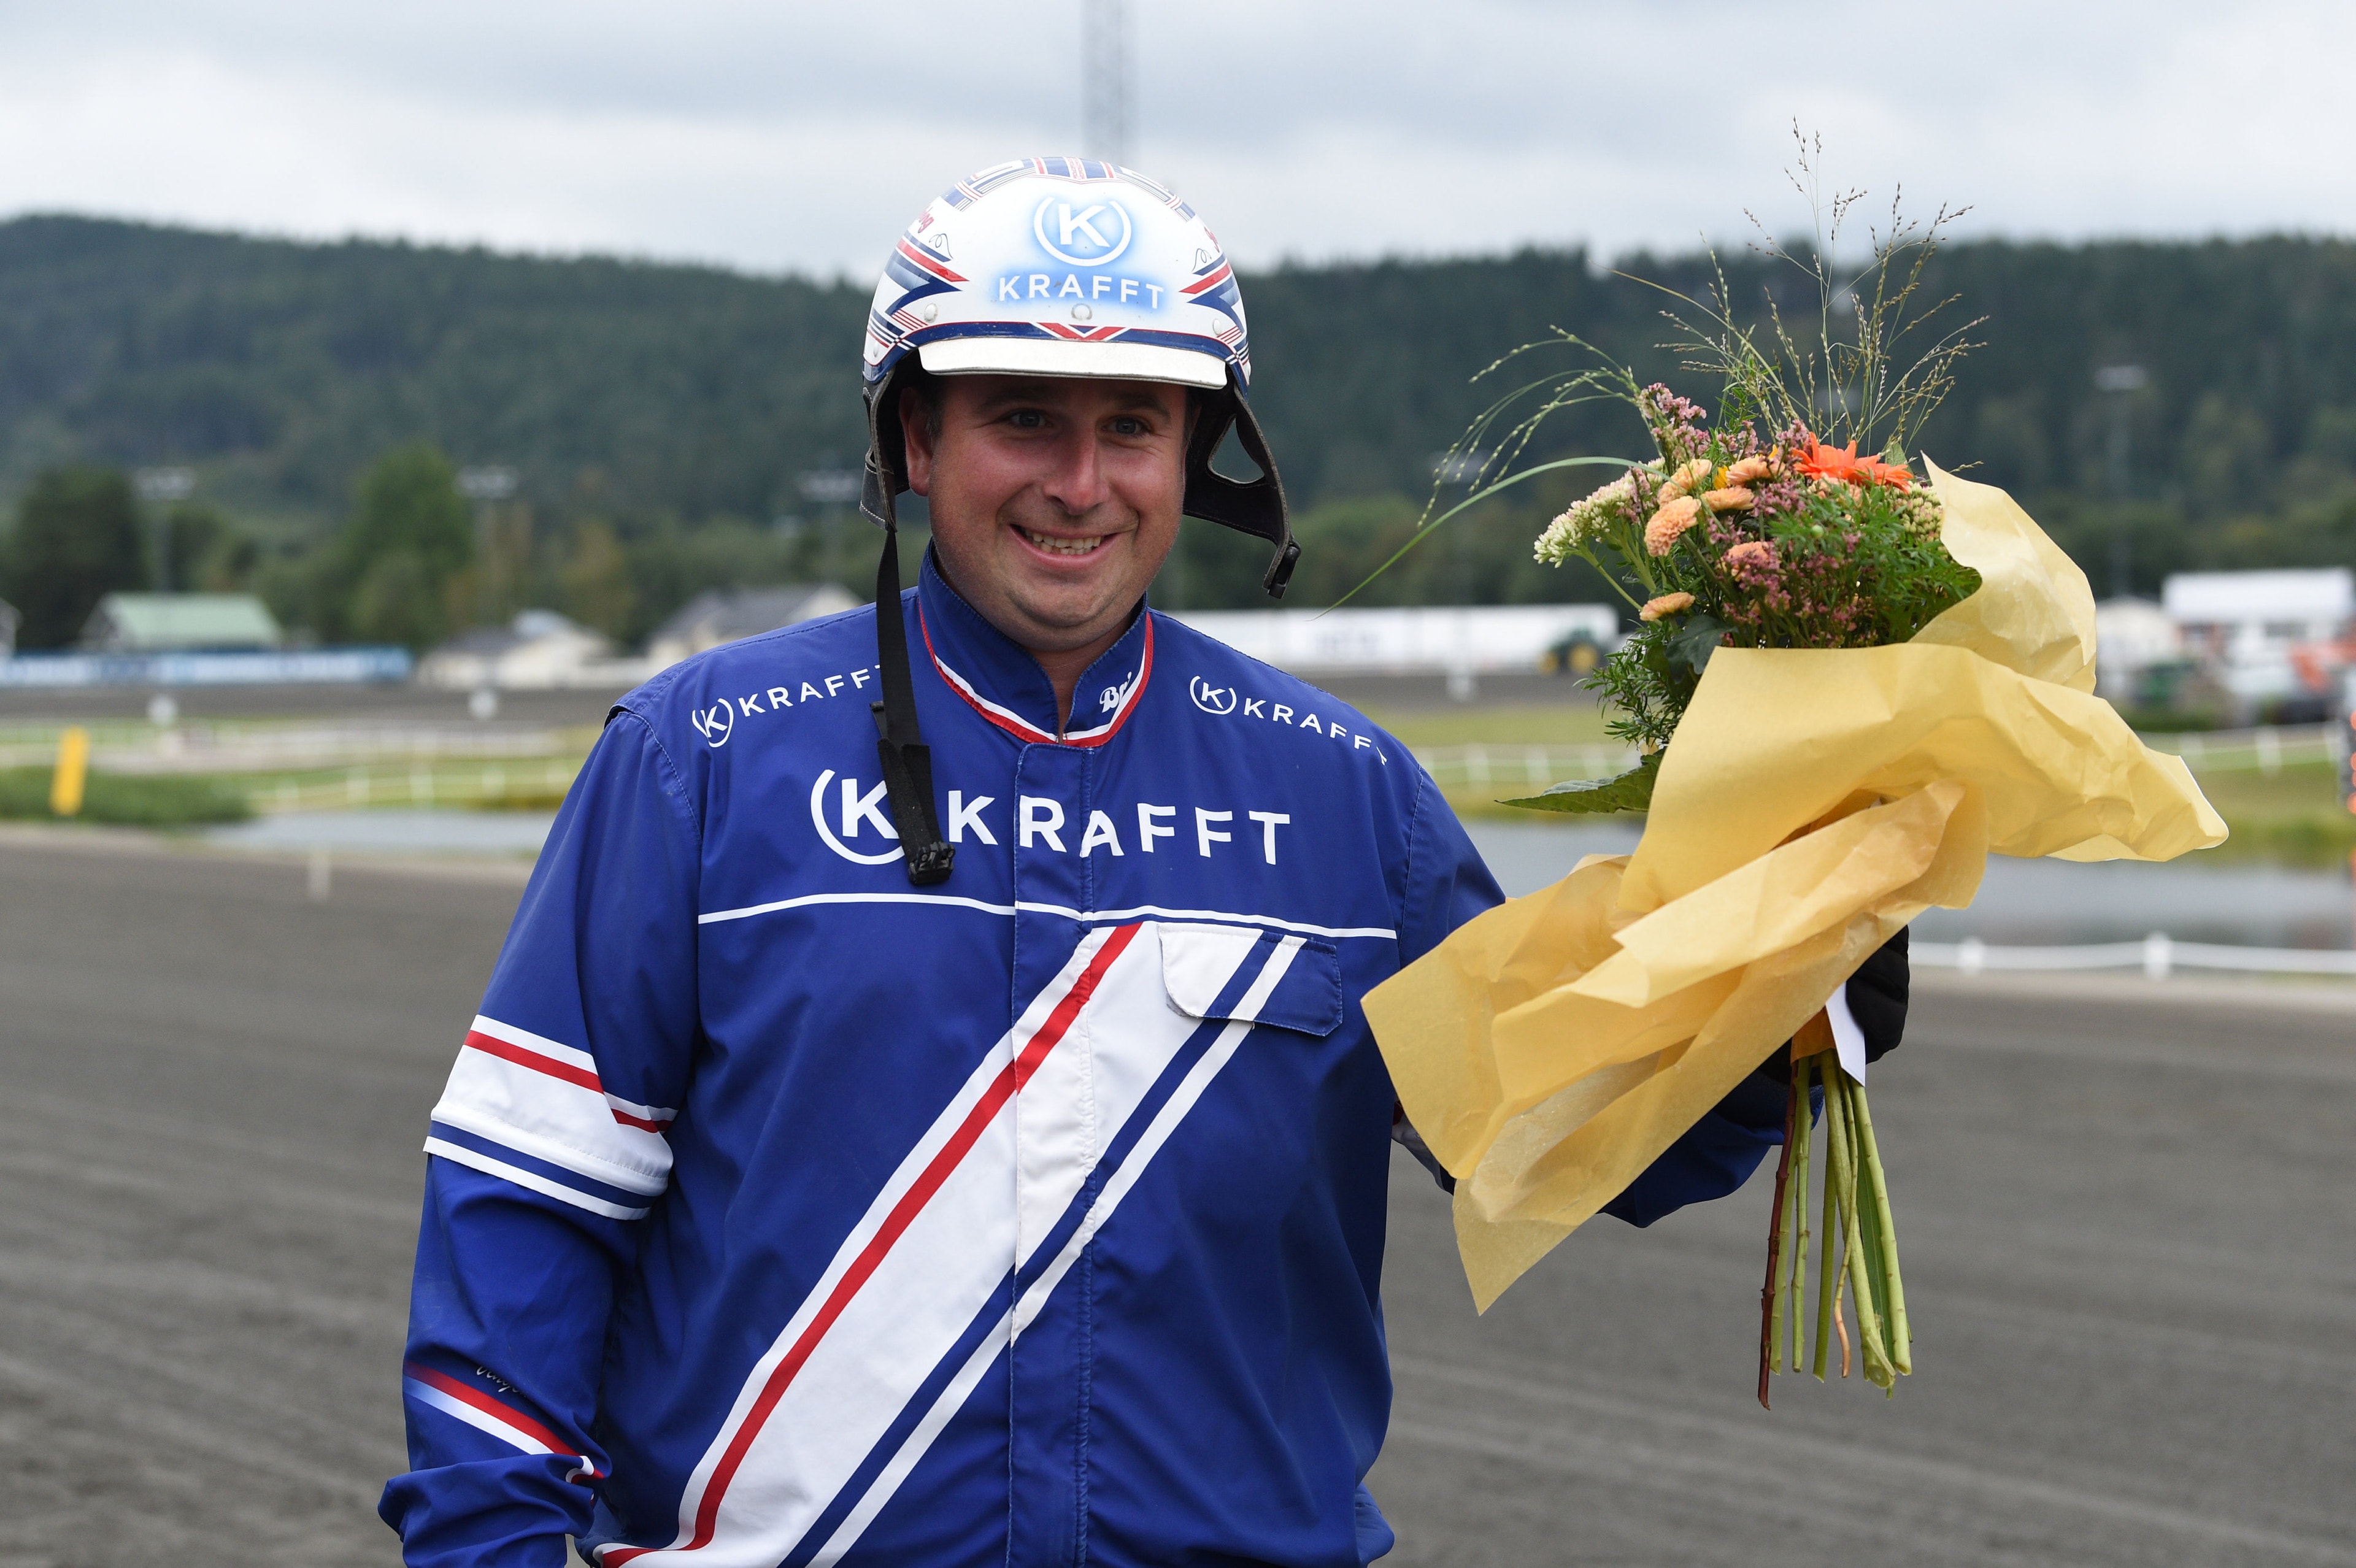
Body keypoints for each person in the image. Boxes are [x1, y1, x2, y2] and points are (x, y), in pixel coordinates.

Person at [380, 157, 1908, 1567]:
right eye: (1023, 420)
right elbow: (526, 1204)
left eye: (1132, 427)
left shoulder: (1346, 797)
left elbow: (1559, 1125)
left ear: (1197, 454)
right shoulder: (701, 758)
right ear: (914, 439)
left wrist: (1788, 988)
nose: (1081, 483)